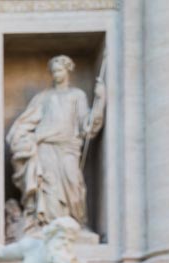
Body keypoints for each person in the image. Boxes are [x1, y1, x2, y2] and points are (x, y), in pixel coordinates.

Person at [7, 54, 105, 230]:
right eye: (53, 71)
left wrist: (100, 101)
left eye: (59, 70)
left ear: (68, 71)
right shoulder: (43, 97)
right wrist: (20, 137)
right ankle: (50, 227)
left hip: (69, 146)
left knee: (73, 181)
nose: (56, 74)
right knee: (49, 185)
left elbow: (86, 124)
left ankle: (76, 223)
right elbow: (27, 121)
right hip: (45, 145)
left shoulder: (77, 95)